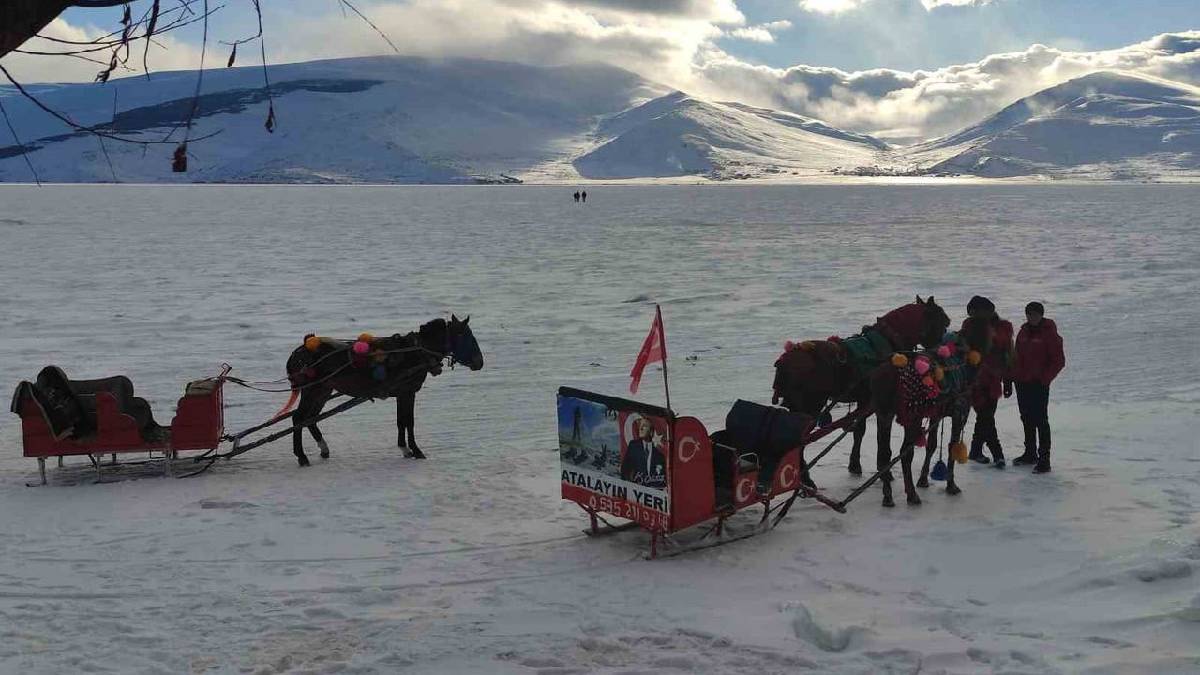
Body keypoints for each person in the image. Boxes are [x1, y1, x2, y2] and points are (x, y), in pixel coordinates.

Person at [1010, 302, 1065, 473]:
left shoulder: (1049, 333)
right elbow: (1015, 356)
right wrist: (1011, 378)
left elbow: (1058, 361)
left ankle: (1044, 459)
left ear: (1041, 315)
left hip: (1038, 384)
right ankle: (1030, 453)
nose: (1031, 317)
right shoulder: (1023, 332)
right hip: (1022, 382)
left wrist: (1044, 379)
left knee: (1041, 420)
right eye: (1029, 314)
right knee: (1026, 418)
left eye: (1034, 314)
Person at [964, 295, 1014, 468]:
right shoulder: (969, 326)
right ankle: (997, 454)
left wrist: (1008, 381)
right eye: (971, 313)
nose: (972, 316)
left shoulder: (1004, 328)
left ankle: (975, 451)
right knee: (986, 417)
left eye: (975, 312)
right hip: (974, 380)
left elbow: (1008, 354)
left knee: (985, 417)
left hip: (994, 380)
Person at [621, 418, 666, 488]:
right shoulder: (633, 446)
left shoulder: (659, 456)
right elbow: (624, 470)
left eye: (644, 426)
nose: (640, 428)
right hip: (635, 490)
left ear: (651, 431)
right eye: (640, 425)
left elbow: (663, 480)